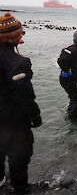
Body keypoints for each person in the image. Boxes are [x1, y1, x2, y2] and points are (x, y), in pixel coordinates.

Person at [0, 13, 42, 194]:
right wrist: (35, 115)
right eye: (20, 34)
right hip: (12, 118)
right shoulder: (18, 63)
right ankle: (20, 188)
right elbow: (24, 95)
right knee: (20, 153)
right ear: (13, 38)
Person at [57, 30, 77, 122]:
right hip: (68, 80)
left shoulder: (73, 49)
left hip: (71, 80)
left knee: (75, 98)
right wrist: (67, 71)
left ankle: (69, 113)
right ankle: (73, 121)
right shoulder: (72, 50)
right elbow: (60, 61)